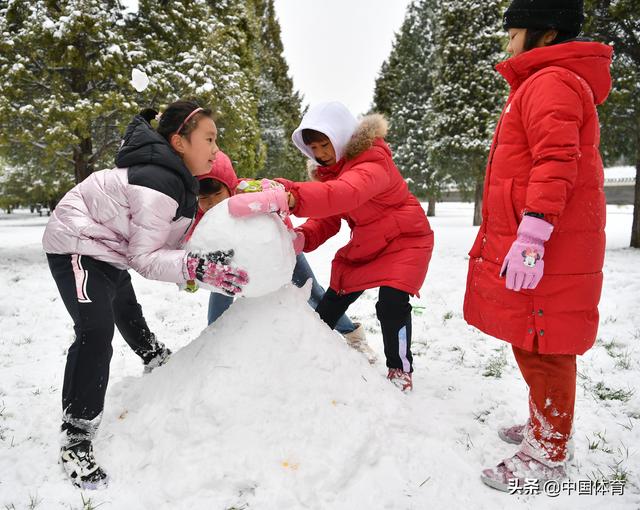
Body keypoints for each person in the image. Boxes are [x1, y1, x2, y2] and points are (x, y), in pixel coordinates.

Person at [42, 101, 249, 489]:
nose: (216, 149)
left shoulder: (178, 183)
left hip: (109, 247)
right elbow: (147, 258)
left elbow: (167, 248)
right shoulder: (160, 183)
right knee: (96, 329)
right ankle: (76, 436)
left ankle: (152, 353)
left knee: (123, 301)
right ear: (179, 143)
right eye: (209, 139)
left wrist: (202, 264)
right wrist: (194, 266)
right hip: (77, 242)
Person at [461, 0, 613, 491]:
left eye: (514, 32)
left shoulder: (551, 82)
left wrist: (533, 235)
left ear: (546, 34)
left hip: (550, 243)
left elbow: (556, 162)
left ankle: (548, 452)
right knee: (532, 339)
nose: (507, 42)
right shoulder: (544, 82)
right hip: (544, 240)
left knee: (546, 347)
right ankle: (542, 425)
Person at [228, 102, 434, 391]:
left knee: (391, 304)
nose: (321, 154)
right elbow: (327, 219)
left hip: (406, 240)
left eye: (325, 144)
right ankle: (314, 355)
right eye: (314, 148)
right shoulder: (332, 174)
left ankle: (400, 368)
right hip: (369, 243)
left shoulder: (373, 161)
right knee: (331, 304)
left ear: (341, 136)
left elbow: (344, 194)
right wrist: (300, 238)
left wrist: (290, 195)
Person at [190, 151, 371, 359]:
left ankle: (353, 334)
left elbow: (281, 192)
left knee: (312, 291)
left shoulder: (248, 191)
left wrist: (273, 192)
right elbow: (193, 242)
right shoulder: (202, 215)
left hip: (282, 250)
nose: (212, 203)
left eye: (217, 195)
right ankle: (213, 340)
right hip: (235, 260)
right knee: (221, 290)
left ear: (229, 187)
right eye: (204, 198)